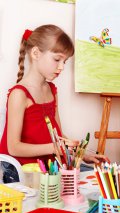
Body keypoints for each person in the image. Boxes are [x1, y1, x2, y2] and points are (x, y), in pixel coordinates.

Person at [0, 24, 108, 182]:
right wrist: (53, 148)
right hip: (23, 171)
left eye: (65, 61)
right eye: (57, 59)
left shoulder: (51, 89)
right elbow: (13, 147)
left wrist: (81, 154)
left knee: (96, 179)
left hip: (50, 165)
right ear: (36, 53)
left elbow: (58, 137)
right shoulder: (19, 94)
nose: (61, 67)